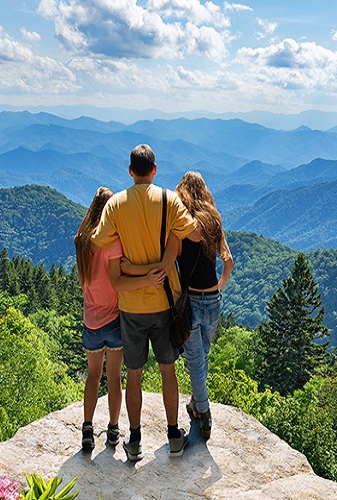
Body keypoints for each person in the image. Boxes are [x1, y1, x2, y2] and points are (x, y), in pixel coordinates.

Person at [92, 144, 197, 461]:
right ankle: (173, 435)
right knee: (168, 370)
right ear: (154, 170)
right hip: (165, 301)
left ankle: (135, 440)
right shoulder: (169, 200)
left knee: (133, 374)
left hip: (131, 307)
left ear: (130, 171)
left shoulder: (116, 205)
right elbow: (190, 232)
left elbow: (99, 240)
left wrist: (127, 264)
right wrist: (168, 250)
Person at [74, 187, 168, 451]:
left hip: (91, 321)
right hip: (115, 320)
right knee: (114, 377)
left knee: (93, 376)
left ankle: (87, 428)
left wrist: (92, 208)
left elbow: (80, 232)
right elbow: (120, 277)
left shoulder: (82, 244)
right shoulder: (113, 243)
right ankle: (113, 430)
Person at [175, 171, 234, 441]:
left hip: (192, 301)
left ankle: (205, 413)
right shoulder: (214, 222)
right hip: (213, 301)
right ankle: (196, 406)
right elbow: (228, 260)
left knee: (196, 362)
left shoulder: (187, 224)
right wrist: (219, 286)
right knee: (201, 359)